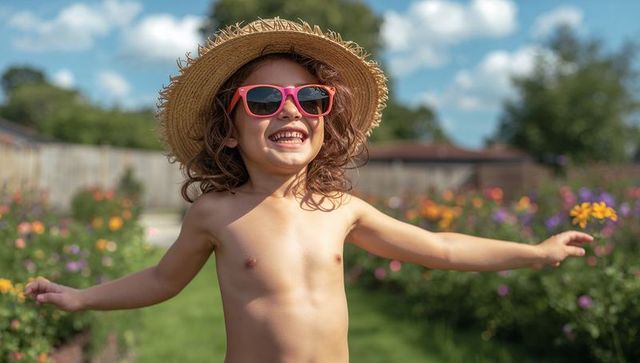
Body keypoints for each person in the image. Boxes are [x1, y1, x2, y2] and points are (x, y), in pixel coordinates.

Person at [24, 18, 592, 363]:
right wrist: (82, 297)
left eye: (311, 100)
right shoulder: (217, 214)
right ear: (228, 127)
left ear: (325, 120)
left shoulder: (341, 210)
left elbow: (440, 248)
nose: (290, 110)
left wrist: (534, 253)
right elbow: (160, 279)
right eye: (266, 100)